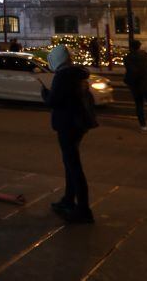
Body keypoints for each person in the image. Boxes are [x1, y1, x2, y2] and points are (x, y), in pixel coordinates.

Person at [42, 45, 97, 224]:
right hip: (79, 124)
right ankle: (68, 199)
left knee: (73, 166)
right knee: (70, 163)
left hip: (67, 124)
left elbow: (53, 101)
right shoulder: (77, 74)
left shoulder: (62, 76)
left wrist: (45, 94)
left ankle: (83, 209)